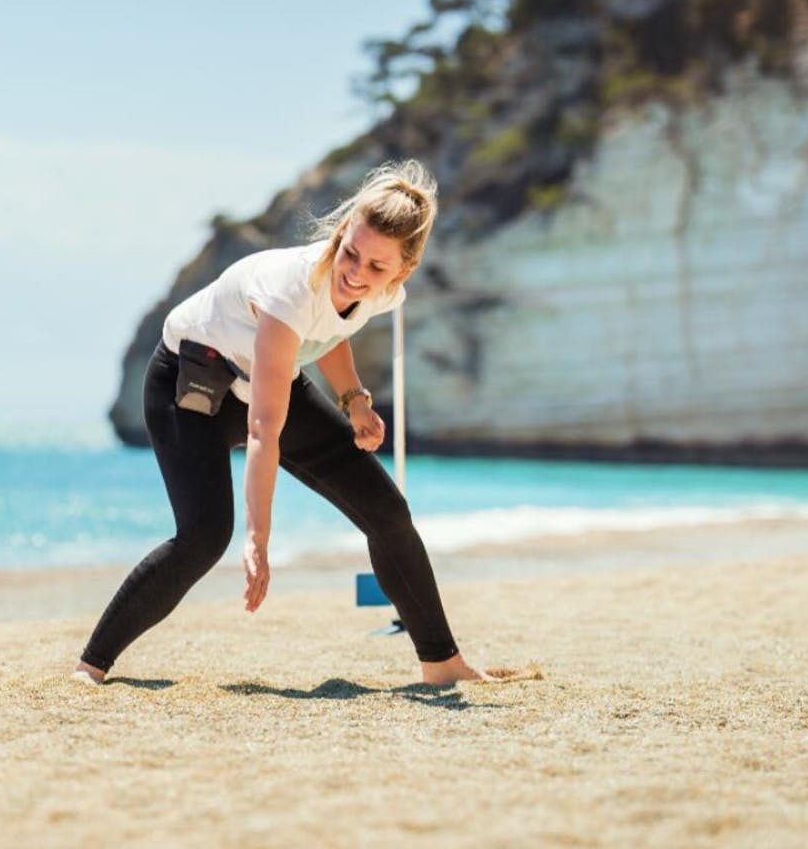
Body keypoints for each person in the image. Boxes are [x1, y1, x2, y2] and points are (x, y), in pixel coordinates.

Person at [75, 159, 502, 687]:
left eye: (376, 267)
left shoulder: (383, 294)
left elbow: (333, 330)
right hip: (189, 383)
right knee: (205, 536)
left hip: (265, 380)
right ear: (341, 233)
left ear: (401, 272)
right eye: (351, 253)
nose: (356, 273)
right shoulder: (290, 289)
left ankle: (441, 662)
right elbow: (263, 431)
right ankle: (92, 666)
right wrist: (259, 537)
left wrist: (354, 401)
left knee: (387, 512)